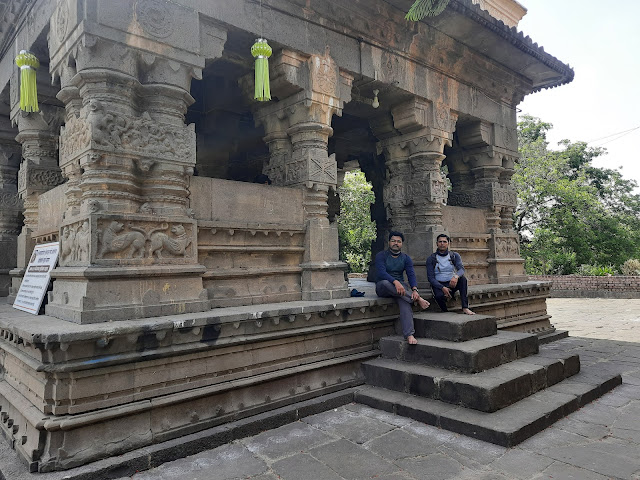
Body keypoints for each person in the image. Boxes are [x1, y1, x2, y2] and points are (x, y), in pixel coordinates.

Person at [375, 231, 430, 344]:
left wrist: (414, 289)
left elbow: (411, 275)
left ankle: (409, 334)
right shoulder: (381, 256)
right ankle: (418, 299)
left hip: (400, 289)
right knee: (386, 283)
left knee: (404, 302)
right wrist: (395, 281)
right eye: (393, 241)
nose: (396, 243)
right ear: (389, 242)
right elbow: (381, 273)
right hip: (383, 286)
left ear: (402, 244)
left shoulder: (406, 258)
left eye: (398, 241)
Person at [426, 234, 475, 315]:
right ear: (436, 243)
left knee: (463, 280)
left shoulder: (454, 256)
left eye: (444, 242)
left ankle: (465, 307)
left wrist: (456, 277)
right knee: (438, 297)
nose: (442, 243)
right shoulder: (431, 259)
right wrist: (442, 287)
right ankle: (445, 311)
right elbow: (430, 278)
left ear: (448, 243)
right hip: (439, 284)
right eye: (440, 242)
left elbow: (461, 269)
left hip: (451, 282)